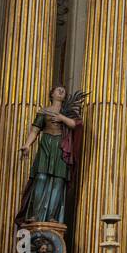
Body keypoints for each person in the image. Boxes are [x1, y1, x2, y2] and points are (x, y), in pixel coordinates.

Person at [16, 85, 83, 226]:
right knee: (41, 177)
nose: (61, 91)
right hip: (46, 143)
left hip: (61, 146)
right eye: (58, 89)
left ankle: (53, 216)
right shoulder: (44, 111)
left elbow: (76, 124)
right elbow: (35, 130)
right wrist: (27, 145)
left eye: (63, 90)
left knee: (58, 181)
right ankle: (35, 214)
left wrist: (62, 118)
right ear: (51, 93)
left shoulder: (67, 112)